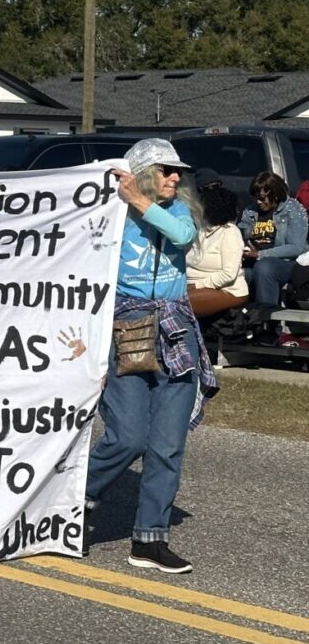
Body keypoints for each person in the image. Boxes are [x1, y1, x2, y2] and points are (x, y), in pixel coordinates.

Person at [85, 138, 217, 574]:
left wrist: (141, 200)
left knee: (166, 446)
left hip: (175, 331)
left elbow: (181, 236)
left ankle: (149, 540)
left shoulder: (177, 211)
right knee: (127, 437)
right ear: (143, 172)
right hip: (126, 327)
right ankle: (76, 496)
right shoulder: (111, 215)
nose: (176, 178)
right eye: (166, 170)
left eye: (177, 171)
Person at [238, 171, 309, 305]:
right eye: (255, 197)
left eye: (262, 198)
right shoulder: (250, 211)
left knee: (265, 268)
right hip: (252, 262)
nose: (258, 202)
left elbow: (296, 247)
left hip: (286, 263)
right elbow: (241, 235)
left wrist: (260, 254)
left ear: (275, 195)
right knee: (232, 273)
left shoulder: (293, 209)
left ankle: (265, 319)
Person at [187, 184, 248, 316]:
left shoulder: (230, 233)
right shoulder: (201, 230)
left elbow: (228, 275)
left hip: (226, 290)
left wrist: (197, 285)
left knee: (177, 303)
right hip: (192, 285)